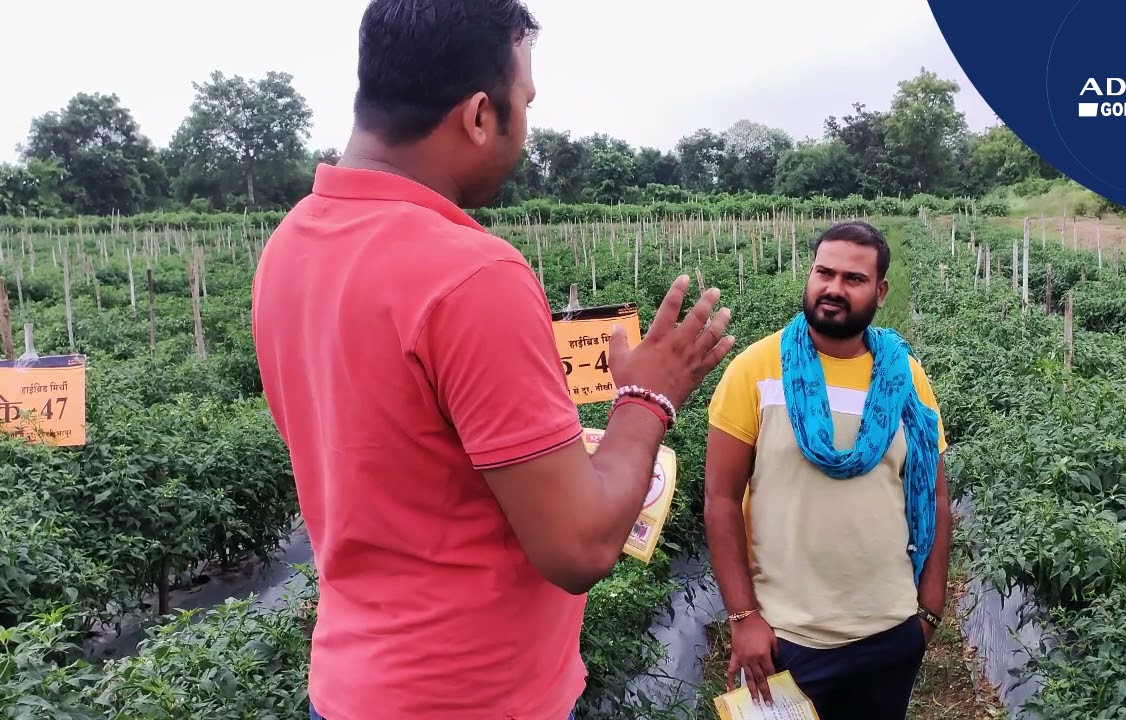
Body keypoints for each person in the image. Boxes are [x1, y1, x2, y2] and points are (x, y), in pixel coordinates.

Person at [250, 2, 735, 719]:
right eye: (525, 102)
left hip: (351, 687)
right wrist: (647, 401)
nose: (526, 128)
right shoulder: (471, 275)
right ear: (480, 114)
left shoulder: (291, 244)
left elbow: (407, 461)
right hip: (471, 698)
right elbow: (579, 548)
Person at [703, 220, 950, 720]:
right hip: (787, 638)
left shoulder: (905, 377)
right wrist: (744, 618)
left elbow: (937, 495)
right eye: (824, 272)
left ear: (880, 291)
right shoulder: (757, 369)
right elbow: (720, 500)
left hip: (889, 631)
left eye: (853, 279)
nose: (834, 288)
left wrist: (928, 609)